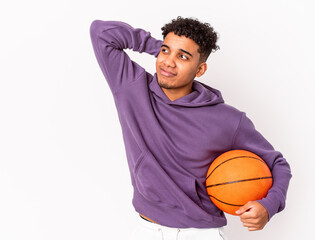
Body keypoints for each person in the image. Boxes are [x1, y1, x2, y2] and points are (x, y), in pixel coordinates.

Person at [90, 17, 291, 240]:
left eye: (183, 57)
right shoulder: (131, 88)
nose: (168, 62)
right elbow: (101, 32)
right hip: (147, 231)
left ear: (201, 69)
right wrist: (162, 47)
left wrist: (269, 205)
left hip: (201, 234)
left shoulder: (228, 120)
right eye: (166, 52)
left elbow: (277, 164)